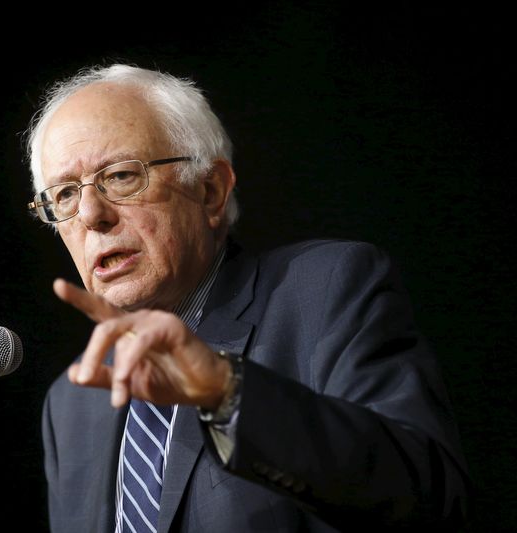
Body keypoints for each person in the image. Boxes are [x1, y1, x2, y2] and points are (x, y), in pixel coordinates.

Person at [26, 64, 470, 532]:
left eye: (119, 176)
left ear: (211, 190)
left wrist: (226, 391)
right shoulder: (72, 402)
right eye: (66, 194)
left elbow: (429, 497)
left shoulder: (325, 292)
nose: (92, 214)